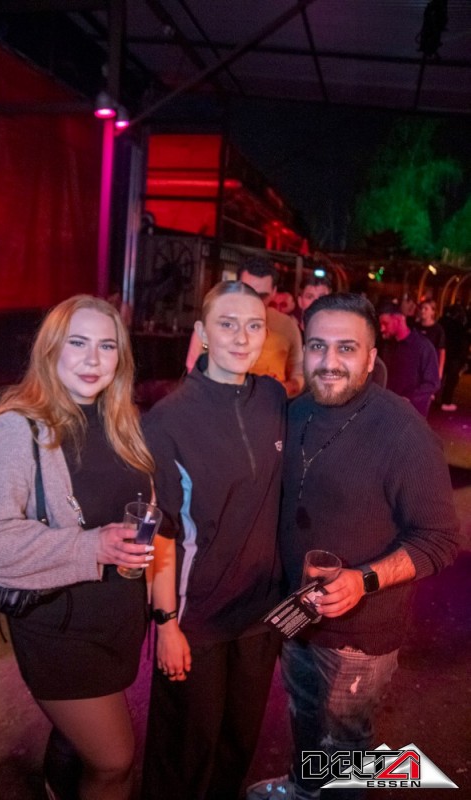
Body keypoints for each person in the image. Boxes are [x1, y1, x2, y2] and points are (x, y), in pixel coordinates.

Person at [247, 293, 461, 800]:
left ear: (370, 358)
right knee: (303, 710)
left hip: (360, 635)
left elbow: (440, 538)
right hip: (298, 614)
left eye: (347, 348)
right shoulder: (295, 413)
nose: (330, 361)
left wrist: (363, 580)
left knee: (346, 739)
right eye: (318, 346)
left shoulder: (401, 430)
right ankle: (305, 787)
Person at [0, 295, 155, 800]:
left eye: (107, 346)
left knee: (76, 741)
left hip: (114, 620)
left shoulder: (120, 420)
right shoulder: (18, 427)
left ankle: (56, 785)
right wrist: (91, 547)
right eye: (78, 343)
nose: (93, 359)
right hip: (59, 630)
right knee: (114, 761)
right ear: (50, 350)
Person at [141, 281, 286, 800]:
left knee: (235, 748)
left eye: (253, 325)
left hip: (260, 614)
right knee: (184, 755)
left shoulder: (273, 397)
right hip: (197, 618)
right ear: (202, 333)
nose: (242, 338)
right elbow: (161, 531)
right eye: (227, 324)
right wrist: (165, 624)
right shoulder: (168, 420)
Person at [186, 257, 304, 397]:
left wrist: (280, 390)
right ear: (236, 286)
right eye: (248, 291)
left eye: (262, 296)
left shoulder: (287, 326)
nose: (254, 301)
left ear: (274, 292)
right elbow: (193, 371)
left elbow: (299, 374)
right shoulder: (214, 322)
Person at [378, 301, 440, 416]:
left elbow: (432, 382)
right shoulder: (386, 345)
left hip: (412, 414)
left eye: (385, 323)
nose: (382, 328)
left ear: (399, 319)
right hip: (387, 410)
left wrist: (409, 398)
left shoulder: (423, 346)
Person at [439, 303, 470, 411]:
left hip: (444, 352)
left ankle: (433, 395)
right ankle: (446, 401)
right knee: (451, 380)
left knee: (440, 376)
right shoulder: (460, 327)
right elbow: (462, 342)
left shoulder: (443, 322)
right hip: (454, 356)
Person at [292, 275, 332, 340]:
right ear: (300, 301)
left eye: (321, 297)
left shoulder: (338, 334)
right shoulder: (289, 334)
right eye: (310, 297)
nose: (315, 302)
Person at [416, 299, 446, 379]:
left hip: (429, 365)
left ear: (432, 312)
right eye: (421, 308)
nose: (422, 311)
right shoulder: (415, 327)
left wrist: (439, 371)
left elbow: (441, 351)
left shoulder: (438, 330)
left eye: (426, 309)